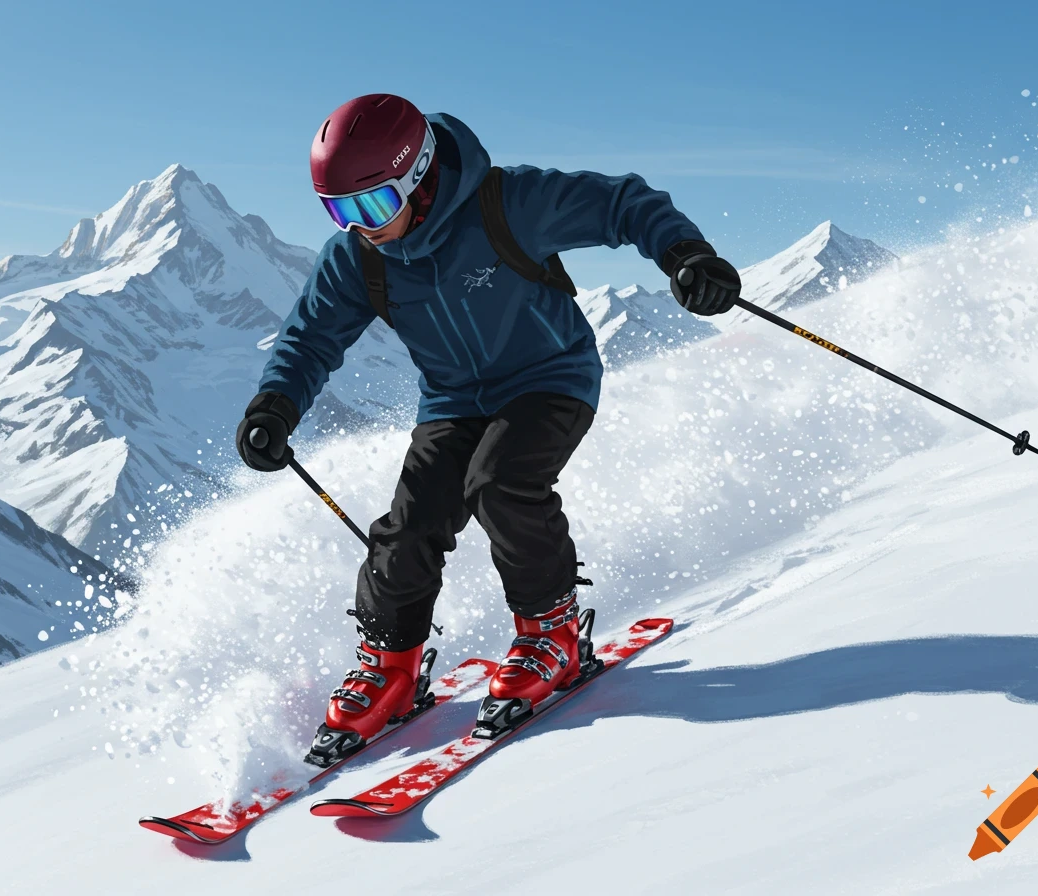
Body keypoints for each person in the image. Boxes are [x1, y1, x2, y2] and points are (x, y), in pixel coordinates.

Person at [236, 94, 741, 763]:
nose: (359, 227)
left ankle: (551, 633)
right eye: (339, 211)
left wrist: (686, 255)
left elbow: (623, 203)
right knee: (410, 523)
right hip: (451, 400)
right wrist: (275, 406)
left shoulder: (507, 204)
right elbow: (309, 340)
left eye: (371, 206)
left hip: (550, 378)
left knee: (499, 484)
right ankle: (391, 663)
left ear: (416, 176)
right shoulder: (359, 258)